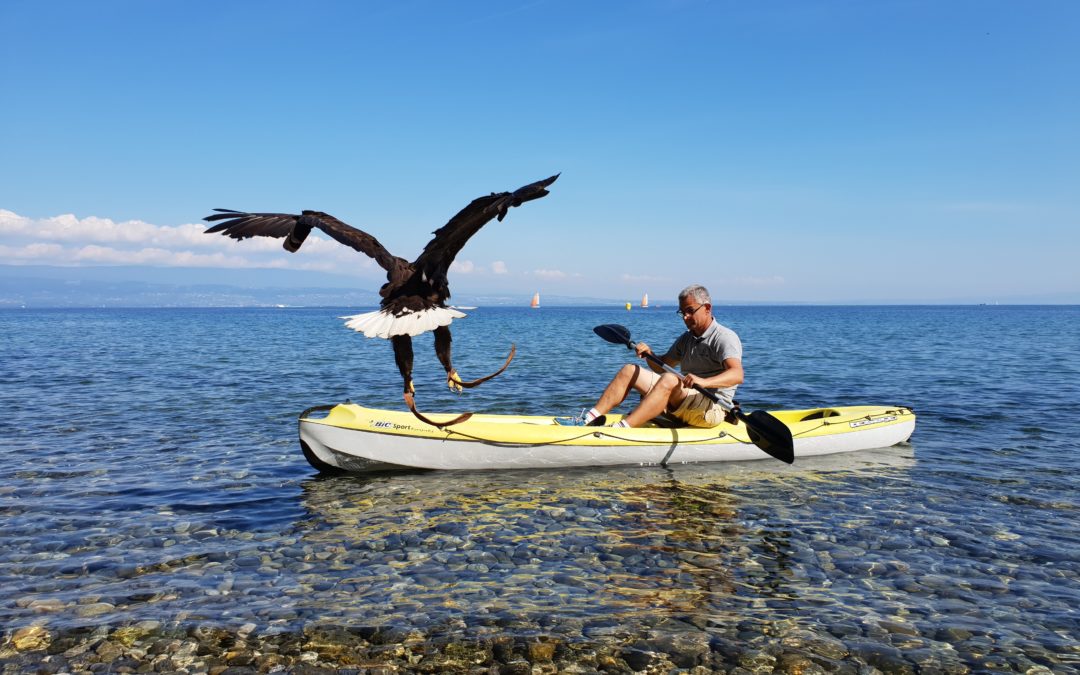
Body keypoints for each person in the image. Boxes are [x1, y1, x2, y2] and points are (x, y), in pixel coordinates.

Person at [578, 284, 743, 428]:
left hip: (712, 408)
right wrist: (650, 354)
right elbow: (662, 365)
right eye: (682, 312)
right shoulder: (687, 338)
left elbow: (737, 374)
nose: (685, 317)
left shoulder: (724, 337)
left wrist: (704, 382)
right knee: (630, 370)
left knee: (670, 379)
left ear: (707, 308)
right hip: (687, 400)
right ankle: (588, 418)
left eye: (690, 311)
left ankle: (622, 428)